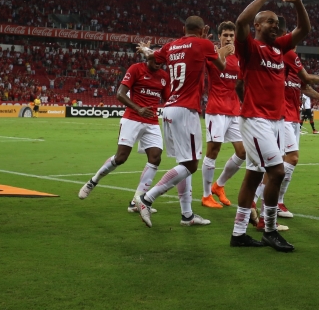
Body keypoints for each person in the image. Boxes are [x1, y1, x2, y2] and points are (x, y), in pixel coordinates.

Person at [229, 0, 310, 251]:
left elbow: (303, 30)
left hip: (276, 121)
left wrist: (297, 1)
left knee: (253, 176)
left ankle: (238, 233)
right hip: (255, 119)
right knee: (276, 171)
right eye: (270, 22)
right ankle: (270, 229)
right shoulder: (250, 48)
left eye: (277, 23)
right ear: (258, 25)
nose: (276, 26)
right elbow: (241, 21)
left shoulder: (280, 48)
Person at [135, 16, 230, 228]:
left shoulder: (171, 46)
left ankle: (187, 215)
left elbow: (152, 59)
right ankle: (146, 199)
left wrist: (144, 50)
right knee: (191, 165)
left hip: (169, 108)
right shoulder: (204, 44)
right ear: (203, 30)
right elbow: (221, 67)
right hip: (187, 110)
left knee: (183, 162)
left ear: (183, 29)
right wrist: (220, 50)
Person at [78, 56, 169, 214]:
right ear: (148, 57)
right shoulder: (136, 69)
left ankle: (137, 201)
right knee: (121, 158)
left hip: (152, 121)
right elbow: (120, 94)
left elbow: (168, 99)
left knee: (156, 157)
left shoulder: (164, 76)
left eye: (161, 60)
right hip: (132, 118)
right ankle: (93, 181)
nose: (158, 62)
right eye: (156, 59)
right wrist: (138, 108)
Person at [276, 16, 319, 219]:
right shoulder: (287, 55)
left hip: (293, 117)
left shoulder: (291, 59)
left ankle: (278, 202)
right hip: (282, 116)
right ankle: (267, 200)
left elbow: (304, 85)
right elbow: (309, 78)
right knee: (289, 159)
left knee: (286, 161)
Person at [201, 21, 246, 209]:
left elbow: (241, 83)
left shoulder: (239, 58)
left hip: (234, 110)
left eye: (231, 35)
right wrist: (221, 51)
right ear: (219, 37)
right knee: (213, 151)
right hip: (216, 110)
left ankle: (218, 185)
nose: (228, 38)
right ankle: (205, 196)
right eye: (225, 35)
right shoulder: (213, 53)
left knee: (242, 152)